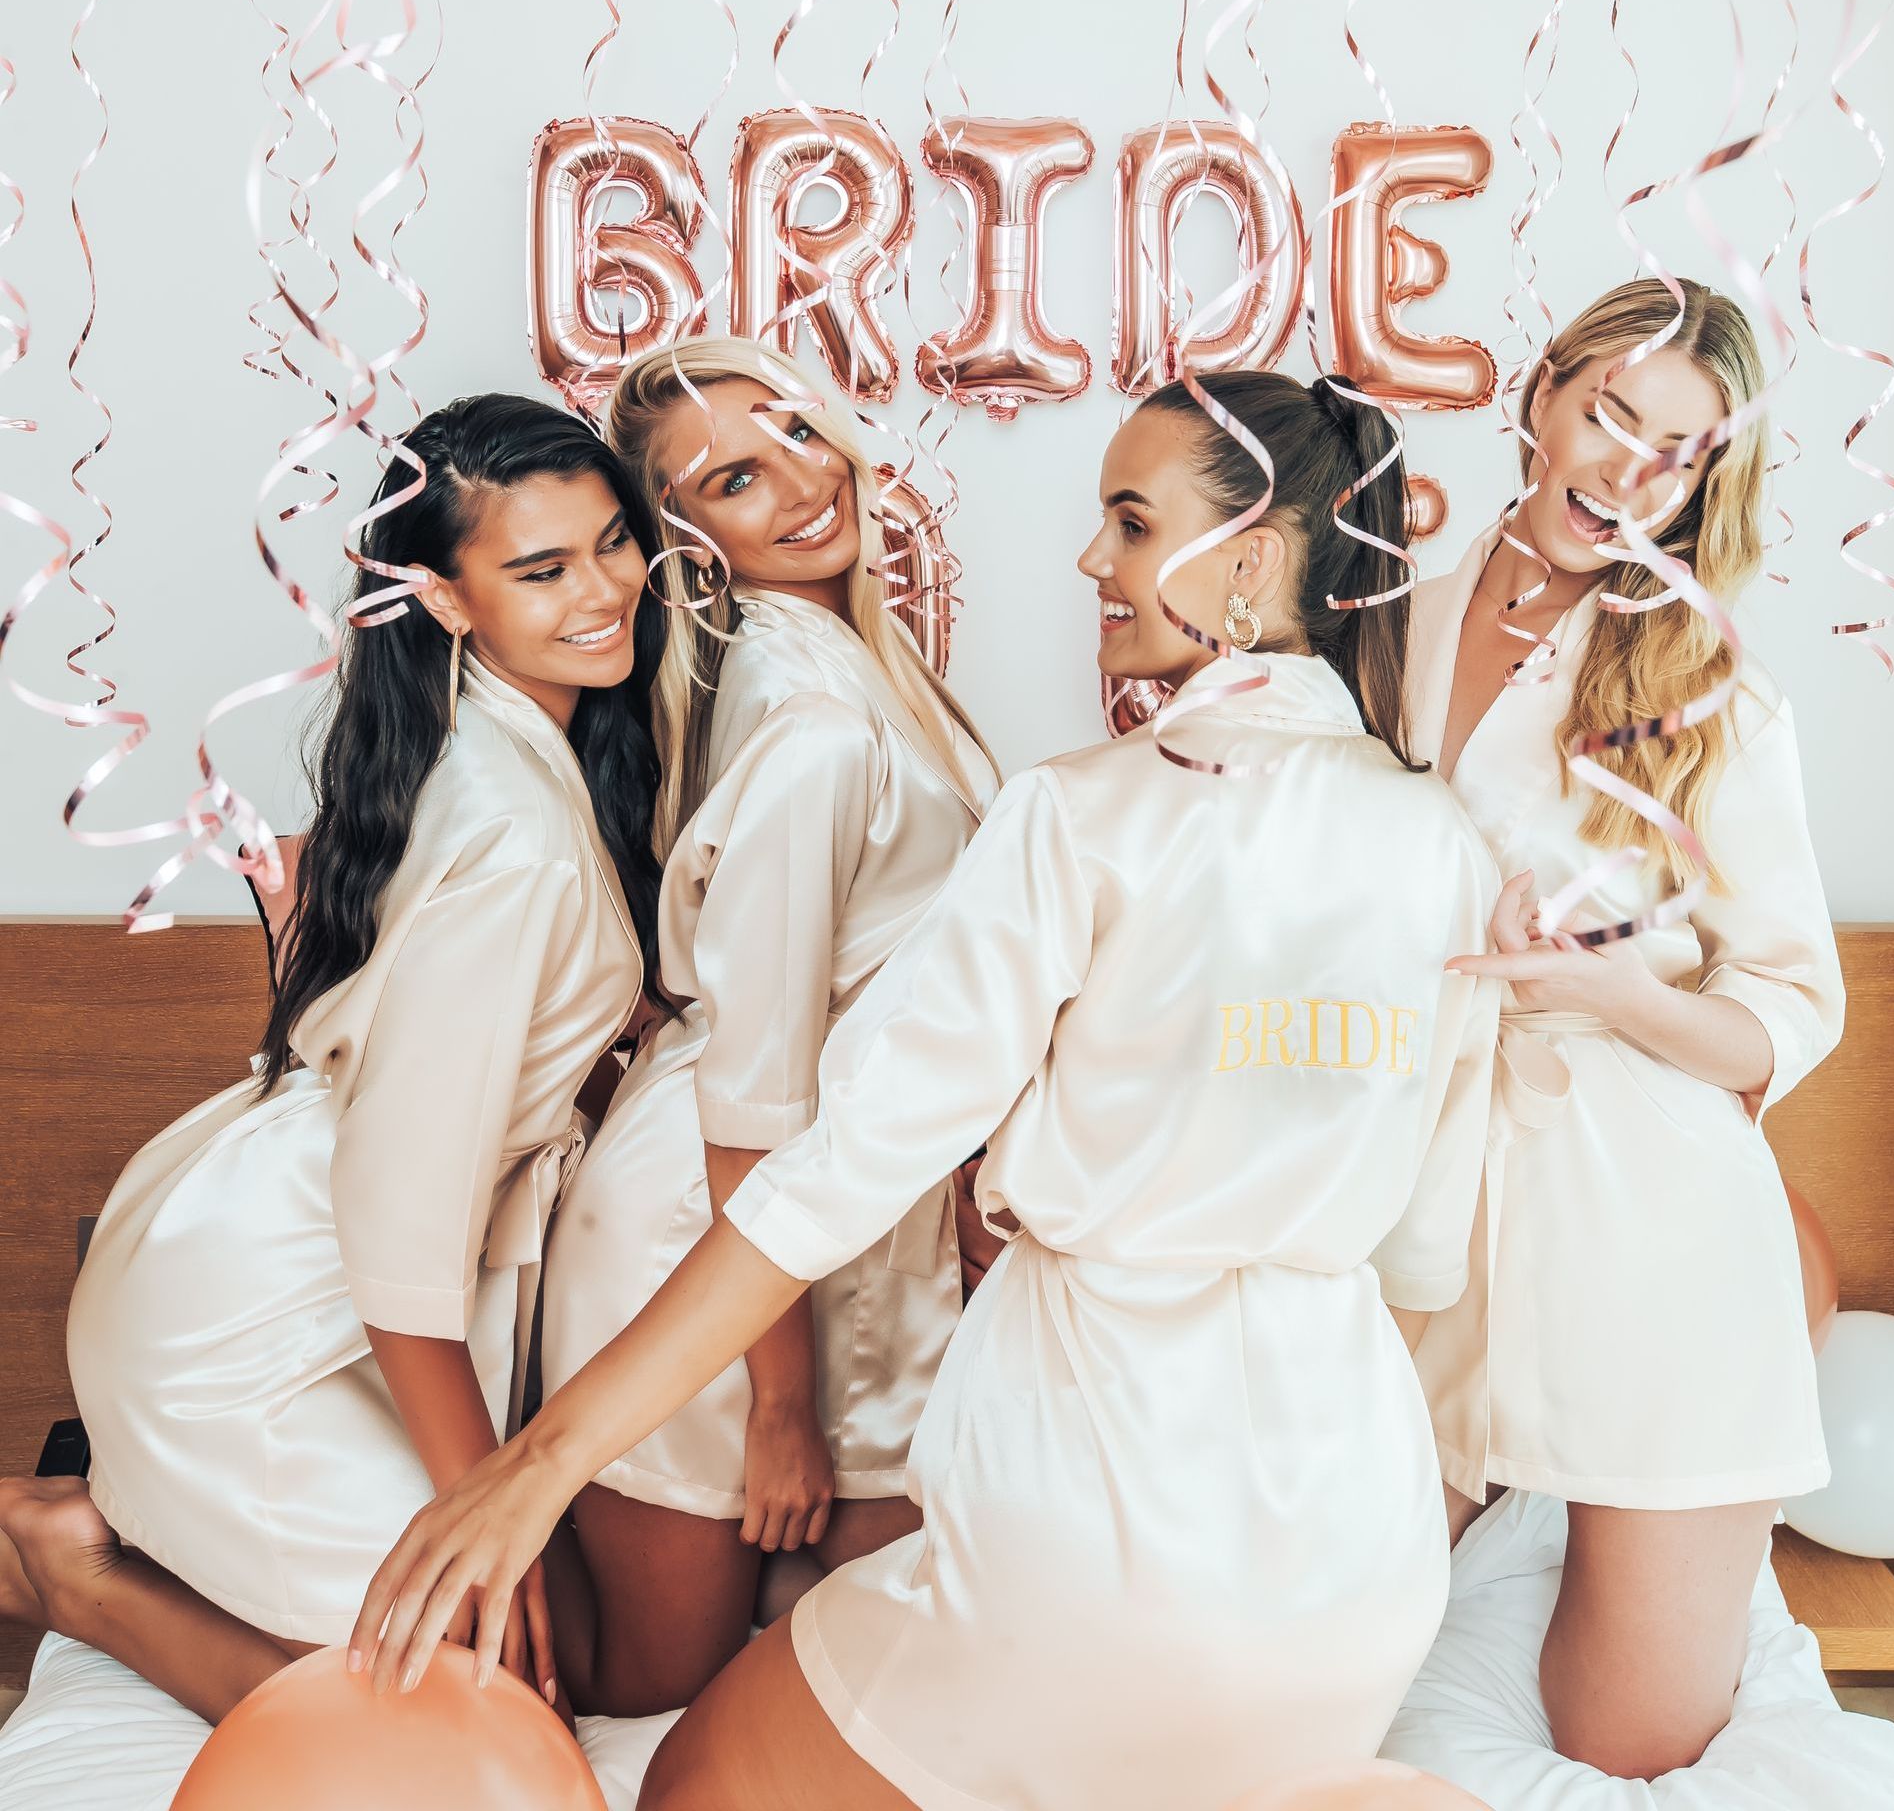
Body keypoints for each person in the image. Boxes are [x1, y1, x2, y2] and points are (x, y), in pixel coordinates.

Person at [353, 369, 1510, 1811]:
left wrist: (538, 1462)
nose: (1094, 559)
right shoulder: (1449, 845)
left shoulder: (1081, 811)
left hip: (1092, 1553)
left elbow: (830, 1173)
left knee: (682, 1786)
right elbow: (1424, 1256)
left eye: (1131, 523)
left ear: (1255, 561)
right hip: (1357, 1578)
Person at [0, 393, 666, 1725]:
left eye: (613, 543)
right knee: (493, 1711)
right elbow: (398, 1223)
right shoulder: (516, 831)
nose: (603, 592)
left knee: (567, 1650)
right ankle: (74, 1570)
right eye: (541, 569)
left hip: (255, 1235)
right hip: (267, 1313)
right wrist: (489, 1505)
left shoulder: (487, 735)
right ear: (443, 596)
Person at [1410, 278, 1845, 1779]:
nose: (1629, 470)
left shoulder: (1712, 689)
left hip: (1651, 1231)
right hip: (1416, 1206)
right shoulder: (1382, 612)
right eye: (1608, 415)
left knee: (1633, 1748)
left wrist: (1618, 994)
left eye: (1683, 450)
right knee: (1329, 1666)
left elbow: (1786, 1013)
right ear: (1539, 397)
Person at [538, 336, 1001, 1715]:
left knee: (857, 1680)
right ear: (688, 539)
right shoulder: (811, 720)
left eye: (800, 428)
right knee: (635, 1695)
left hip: (846, 1255)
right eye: (740, 476)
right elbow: (756, 1089)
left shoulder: (860, 663)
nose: (804, 480)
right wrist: (781, 1410)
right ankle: (80, 1566)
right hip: (711, 1244)